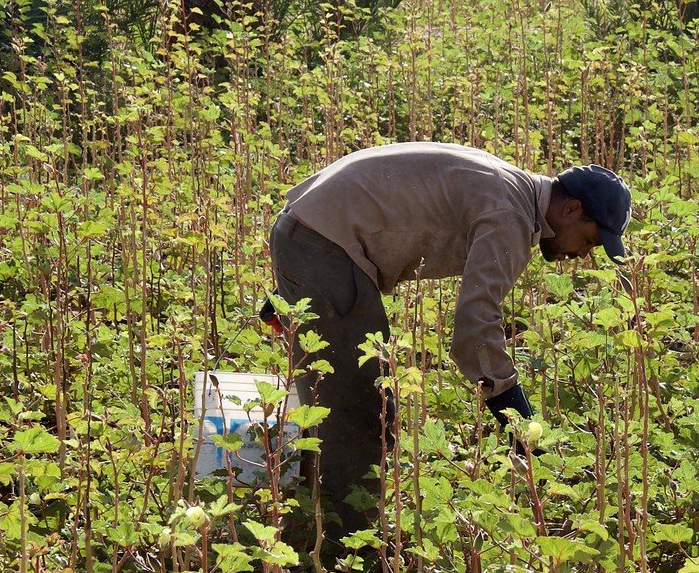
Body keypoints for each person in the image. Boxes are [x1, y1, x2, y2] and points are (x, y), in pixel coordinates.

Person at [266, 142, 631, 535]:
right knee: (360, 410)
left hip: (309, 232)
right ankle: (342, 547)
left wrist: (295, 276)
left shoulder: (508, 184)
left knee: (336, 400)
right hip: (323, 244)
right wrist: (517, 418)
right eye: (590, 241)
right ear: (571, 209)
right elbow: (475, 330)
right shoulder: (511, 214)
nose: (583, 254)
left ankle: (312, 524)